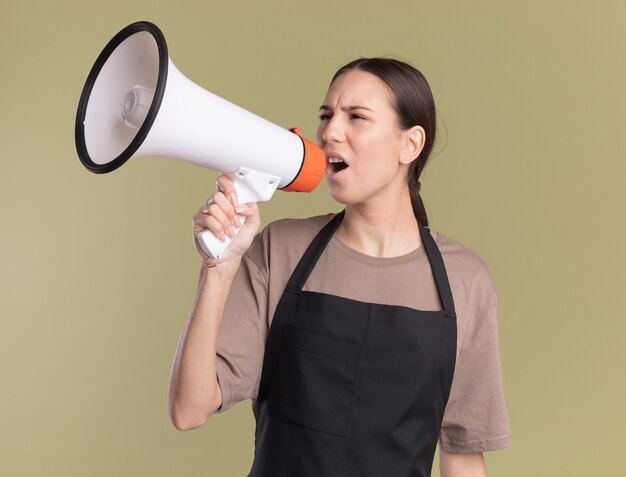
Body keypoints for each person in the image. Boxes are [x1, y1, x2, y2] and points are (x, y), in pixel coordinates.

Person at [168, 58, 511, 477]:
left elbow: (462, 456)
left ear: (411, 144)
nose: (329, 132)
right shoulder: (281, 250)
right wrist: (219, 267)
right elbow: (189, 409)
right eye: (327, 115)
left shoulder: (465, 281)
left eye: (357, 117)